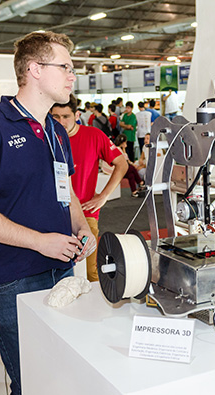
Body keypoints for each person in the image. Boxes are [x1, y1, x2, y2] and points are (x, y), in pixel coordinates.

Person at [0, 31, 96, 395]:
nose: (71, 75)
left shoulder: (55, 131)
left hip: (61, 272)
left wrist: (80, 226)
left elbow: (67, 193)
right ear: (34, 69)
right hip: (10, 281)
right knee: (34, 383)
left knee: (65, 374)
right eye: (64, 66)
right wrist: (40, 241)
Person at [51, 94, 127, 281]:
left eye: (66, 116)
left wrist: (104, 196)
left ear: (77, 115)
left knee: (91, 271)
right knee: (57, 273)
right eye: (56, 117)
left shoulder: (94, 135)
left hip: (86, 213)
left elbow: (122, 164)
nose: (61, 122)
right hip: (53, 214)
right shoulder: (46, 138)